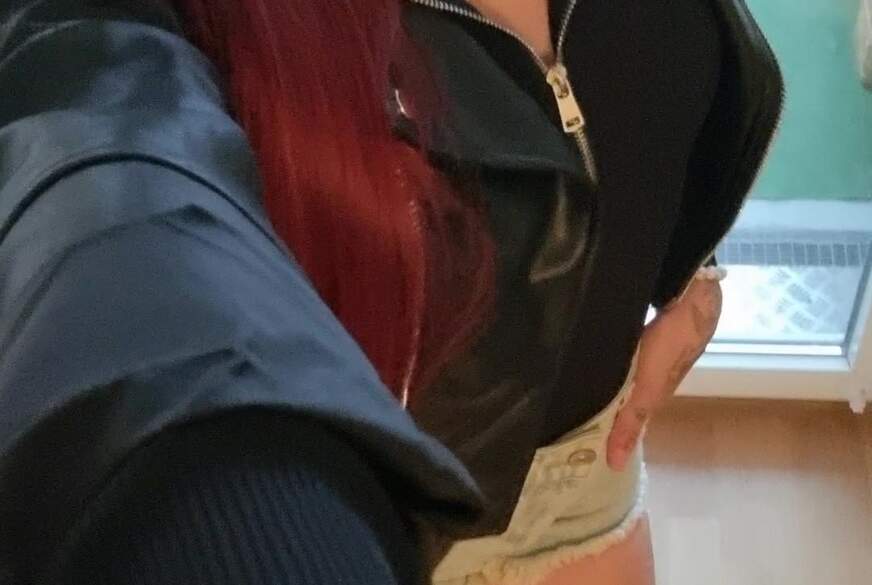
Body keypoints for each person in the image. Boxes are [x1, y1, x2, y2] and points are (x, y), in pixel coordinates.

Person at [0, 0, 782, 583]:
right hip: (375, 499)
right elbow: (91, 137)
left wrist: (696, 264)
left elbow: (652, 83)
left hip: (589, 476)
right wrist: (227, 494)